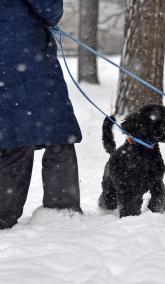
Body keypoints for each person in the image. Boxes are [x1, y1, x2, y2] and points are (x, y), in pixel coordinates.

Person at [0, 0, 82, 230]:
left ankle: (3, 214)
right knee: (57, 135)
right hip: (26, 54)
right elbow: (48, 7)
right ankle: (62, 212)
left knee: (12, 136)